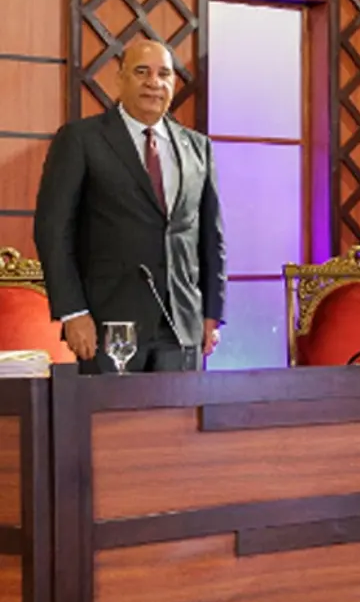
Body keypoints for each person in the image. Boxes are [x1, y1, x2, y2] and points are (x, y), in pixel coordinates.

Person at [32, 38, 224, 372]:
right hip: (108, 324)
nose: (154, 82)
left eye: (164, 74)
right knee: (111, 410)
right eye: (142, 72)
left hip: (182, 324)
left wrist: (212, 312)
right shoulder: (81, 139)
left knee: (180, 409)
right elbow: (53, 231)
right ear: (120, 79)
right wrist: (73, 312)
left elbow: (212, 236)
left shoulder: (198, 147)